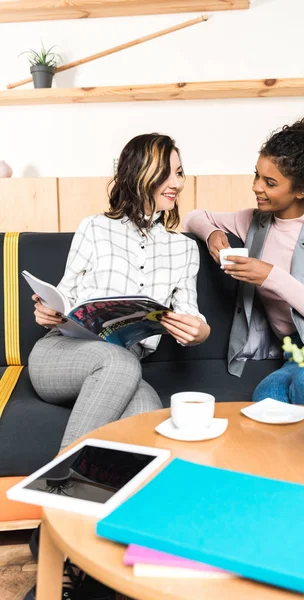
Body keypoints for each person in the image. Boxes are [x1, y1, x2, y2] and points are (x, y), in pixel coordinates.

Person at [25, 133, 210, 600]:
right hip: (60, 356)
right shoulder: (93, 228)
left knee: (150, 419)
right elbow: (63, 296)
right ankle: (58, 521)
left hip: (122, 365)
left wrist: (198, 330)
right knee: (118, 362)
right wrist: (48, 311)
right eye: (168, 171)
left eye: (181, 172)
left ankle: (108, 568)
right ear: (138, 171)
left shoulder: (183, 248)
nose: (177, 182)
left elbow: (192, 312)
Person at [182, 117, 304, 412]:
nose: (257, 187)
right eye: (256, 176)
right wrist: (212, 234)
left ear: (301, 190)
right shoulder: (255, 222)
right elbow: (194, 216)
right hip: (298, 356)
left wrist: (272, 277)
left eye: (270, 183)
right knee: (267, 398)